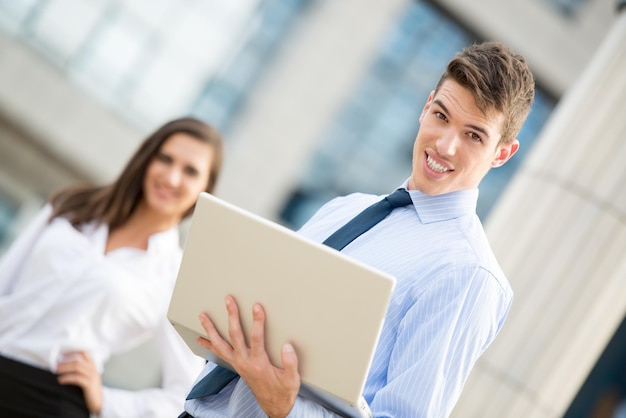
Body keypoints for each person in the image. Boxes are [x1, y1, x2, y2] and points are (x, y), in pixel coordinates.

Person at [182, 40, 535, 417]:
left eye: (474, 135)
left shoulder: (469, 275)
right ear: (425, 106)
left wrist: (285, 408)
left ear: (502, 154)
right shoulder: (346, 208)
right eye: (442, 115)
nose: (445, 145)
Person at [0, 117, 224, 418]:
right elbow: (5, 279)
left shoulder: (175, 278)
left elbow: (185, 393)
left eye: (190, 171)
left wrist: (105, 400)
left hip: (51, 401)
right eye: (165, 159)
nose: (172, 178)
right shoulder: (73, 206)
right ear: (147, 158)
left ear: (205, 188)